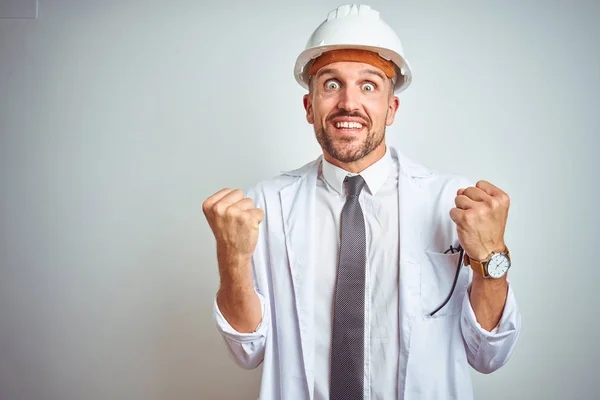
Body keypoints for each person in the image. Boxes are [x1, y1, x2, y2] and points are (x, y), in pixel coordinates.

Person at [203, 4, 521, 399]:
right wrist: (232, 258)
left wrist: (492, 257)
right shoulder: (264, 204)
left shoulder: (451, 201)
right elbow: (247, 351)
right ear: (309, 106)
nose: (348, 103)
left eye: (368, 85)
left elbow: (490, 354)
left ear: (391, 108)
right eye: (331, 84)